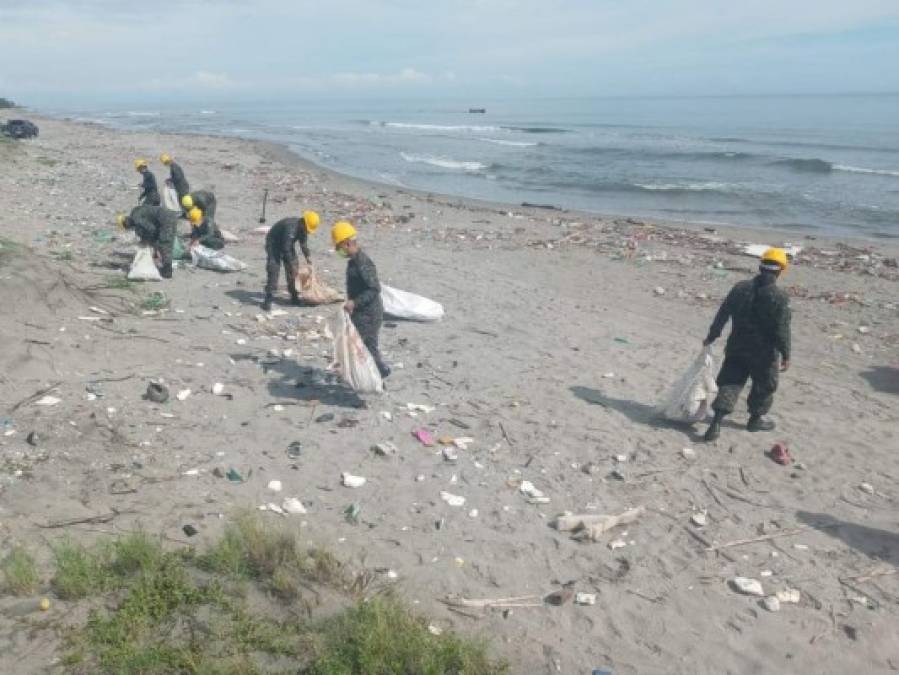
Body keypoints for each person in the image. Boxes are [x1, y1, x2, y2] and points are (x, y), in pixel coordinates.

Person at [702, 248, 792, 441]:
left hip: (737, 346)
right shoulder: (780, 297)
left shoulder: (740, 288)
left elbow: (722, 314)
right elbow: (782, 329)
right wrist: (786, 354)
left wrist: (712, 335)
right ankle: (755, 420)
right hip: (765, 353)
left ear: (760, 267)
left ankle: (716, 423)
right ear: (780, 271)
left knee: (729, 382)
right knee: (764, 385)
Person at [332, 221, 390, 379]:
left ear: (347, 243)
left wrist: (354, 302)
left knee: (365, 346)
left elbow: (374, 289)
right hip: (360, 312)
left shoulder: (362, 262)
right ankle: (375, 373)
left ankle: (379, 373)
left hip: (369, 314)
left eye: (339, 247)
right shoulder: (353, 261)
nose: (338, 250)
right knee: (365, 345)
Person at [262, 210, 320, 311]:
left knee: (294, 270)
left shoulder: (303, 229)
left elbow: (303, 244)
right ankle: (268, 298)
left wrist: (308, 257)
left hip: (287, 245)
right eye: (307, 229)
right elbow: (286, 248)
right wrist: (292, 267)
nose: (307, 231)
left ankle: (294, 296)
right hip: (273, 243)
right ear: (303, 223)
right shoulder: (291, 228)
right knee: (274, 268)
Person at [117, 205, 177, 278]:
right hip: (168, 217)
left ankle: (167, 271)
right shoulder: (136, 214)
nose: (130, 229)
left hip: (166, 219)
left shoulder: (136, 219)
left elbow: (151, 229)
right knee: (165, 243)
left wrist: (147, 242)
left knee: (165, 243)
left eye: (127, 227)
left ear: (126, 223)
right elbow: (151, 228)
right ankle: (164, 266)